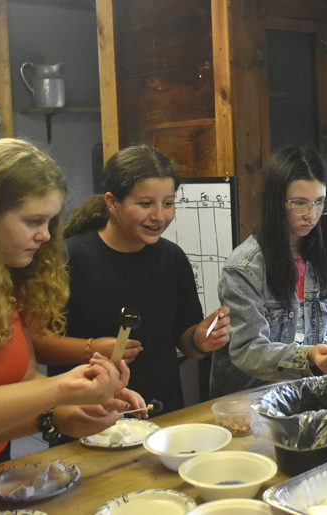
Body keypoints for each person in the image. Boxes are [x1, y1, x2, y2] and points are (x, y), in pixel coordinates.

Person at [0, 138, 144, 463]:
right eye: (33, 221)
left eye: (50, 222)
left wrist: (71, 410)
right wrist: (62, 390)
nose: (45, 235)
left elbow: (26, 379)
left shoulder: (5, 275)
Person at [33, 144, 230, 414]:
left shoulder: (172, 259)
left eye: (168, 203)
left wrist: (200, 340)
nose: (159, 216)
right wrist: (90, 348)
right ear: (113, 202)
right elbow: (36, 344)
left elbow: (184, 338)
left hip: (162, 412)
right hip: (88, 414)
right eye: (146, 204)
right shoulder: (68, 258)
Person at [210, 146, 327, 398]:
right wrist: (307, 356)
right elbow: (248, 351)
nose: (311, 215)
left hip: (302, 392)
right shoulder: (245, 267)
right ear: (276, 203)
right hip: (248, 400)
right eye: (299, 203)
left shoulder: (324, 262)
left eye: (319, 203)